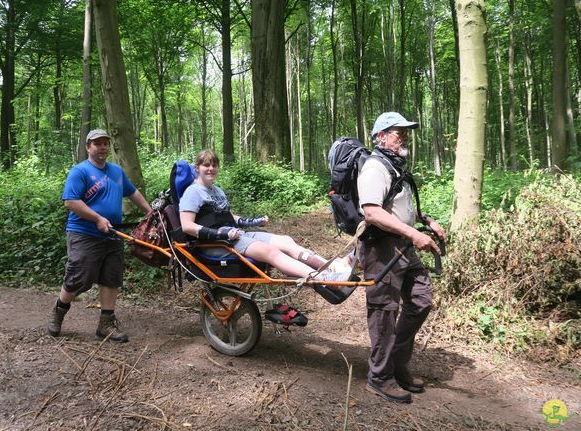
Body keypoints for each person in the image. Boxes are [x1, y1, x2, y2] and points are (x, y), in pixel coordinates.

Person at [357, 112, 446, 404]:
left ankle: (395, 362)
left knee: (420, 300)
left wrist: (427, 221)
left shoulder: (396, 166)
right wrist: (414, 234)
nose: (404, 137)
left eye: (406, 132)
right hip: (381, 249)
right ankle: (380, 377)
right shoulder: (374, 168)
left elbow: (400, 207)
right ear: (381, 136)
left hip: (403, 246)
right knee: (384, 312)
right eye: (398, 132)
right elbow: (372, 212)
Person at [178, 150, 353, 283]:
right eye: (206, 165)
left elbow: (230, 217)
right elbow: (187, 226)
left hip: (233, 236)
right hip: (215, 244)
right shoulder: (192, 192)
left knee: (285, 240)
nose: (210, 169)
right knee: (270, 251)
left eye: (214, 165)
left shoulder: (217, 190)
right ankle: (322, 277)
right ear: (197, 168)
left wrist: (254, 221)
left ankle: (333, 266)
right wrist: (220, 234)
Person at [47, 129, 152, 342]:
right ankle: (58, 313)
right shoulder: (80, 172)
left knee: (111, 278)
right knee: (79, 278)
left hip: (113, 234)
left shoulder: (116, 171)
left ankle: (105, 325)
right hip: (84, 234)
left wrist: (150, 213)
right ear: (88, 147)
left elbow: (133, 193)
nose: (102, 147)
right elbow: (70, 201)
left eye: (105, 143)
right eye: (97, 143)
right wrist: (97, 218)